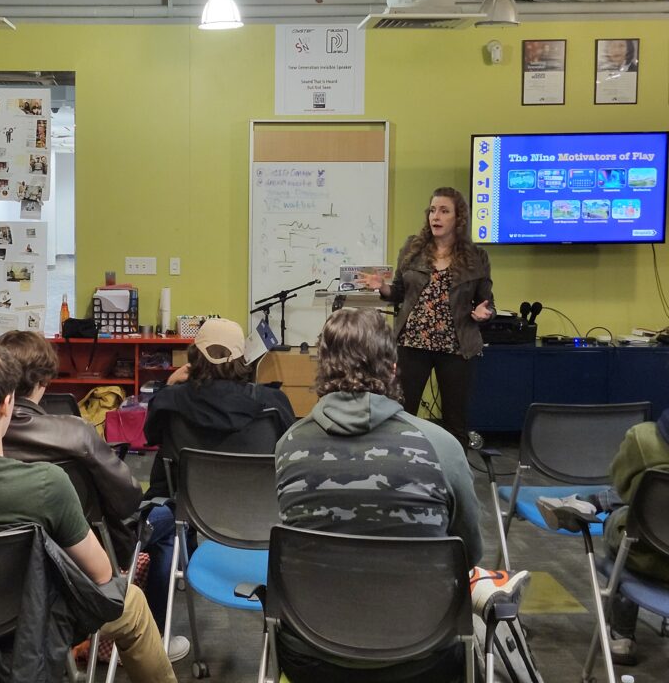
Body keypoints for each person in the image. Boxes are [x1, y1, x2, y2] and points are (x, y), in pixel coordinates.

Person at [0, 343, 177, 683]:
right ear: (7, 403)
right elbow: (101, 575)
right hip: (31, 621)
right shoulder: (47, 485)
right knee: (134, 605)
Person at [275, 309, 527, 682]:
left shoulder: (288, 446)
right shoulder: (440, 447)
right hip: (424, 654)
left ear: (322, 369)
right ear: (393, 368)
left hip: (311, 653)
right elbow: (467, 554)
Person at [361, 187, 494, 449]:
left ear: (459, 218)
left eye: (444, 211)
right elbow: (398, 292)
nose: (436, 216)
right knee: (402, 413)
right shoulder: (413, 249)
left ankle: (453, 477)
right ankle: (403, 469)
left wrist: (483, 314)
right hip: (412, 344)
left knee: (456, 421)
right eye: (433, 210)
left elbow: (486, 302)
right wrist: (382, 287)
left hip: (457, 347)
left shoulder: (476, 257)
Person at [540, 409, 669, 666]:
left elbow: (623, 485)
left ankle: (622, 635)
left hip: (648, 556)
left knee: (629, 519)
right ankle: (588, 504)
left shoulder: (643, 438)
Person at [143, 317, 296, 499]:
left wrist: (170, 384)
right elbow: (291, 450)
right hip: (256, 508)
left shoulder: (171, 399)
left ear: (194, 356)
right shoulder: (273, 401)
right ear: (242, 358)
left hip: (191, 507)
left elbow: (152, 436)